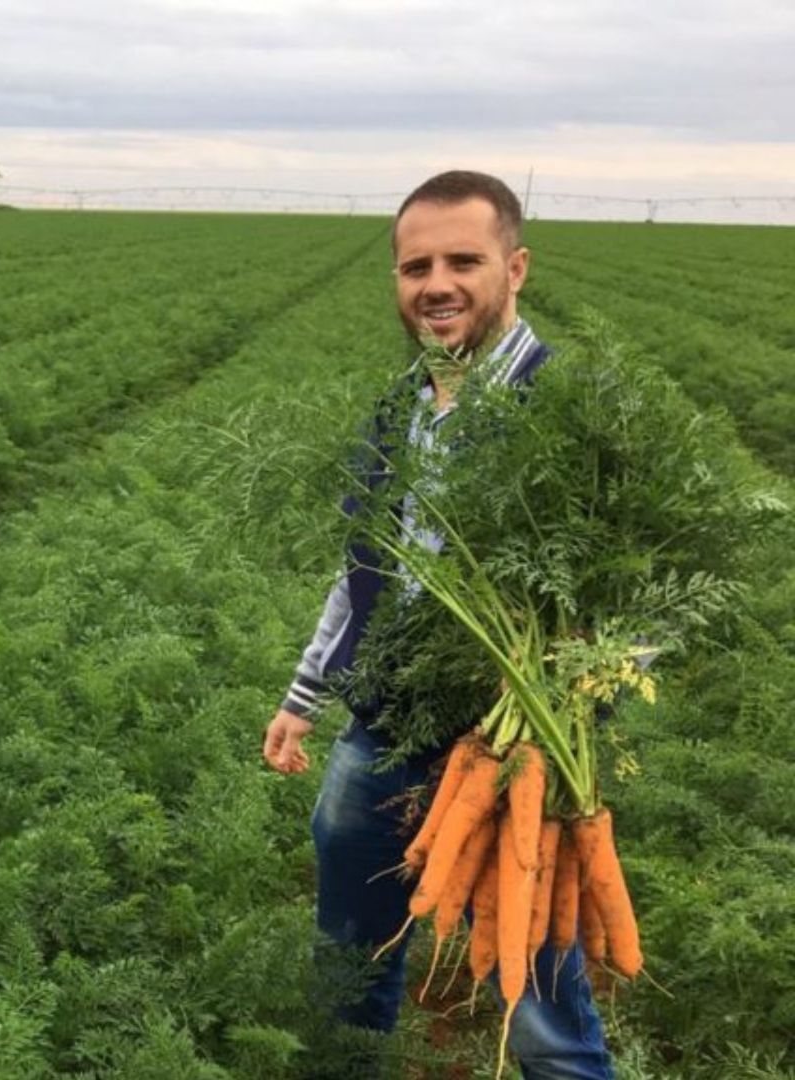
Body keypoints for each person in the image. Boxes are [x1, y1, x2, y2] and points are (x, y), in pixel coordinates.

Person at [261, 171, 615, 1078]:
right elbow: (361, 570)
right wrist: (305, 696)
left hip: (510, 761)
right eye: (416, 265)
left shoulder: (569, 409)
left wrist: (552, 712)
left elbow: (632, 604)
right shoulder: (400, 406)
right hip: (380, 730)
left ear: (517, 267)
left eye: (465, 259)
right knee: (347, 965)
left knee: (539, 1006)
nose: (437, 283)